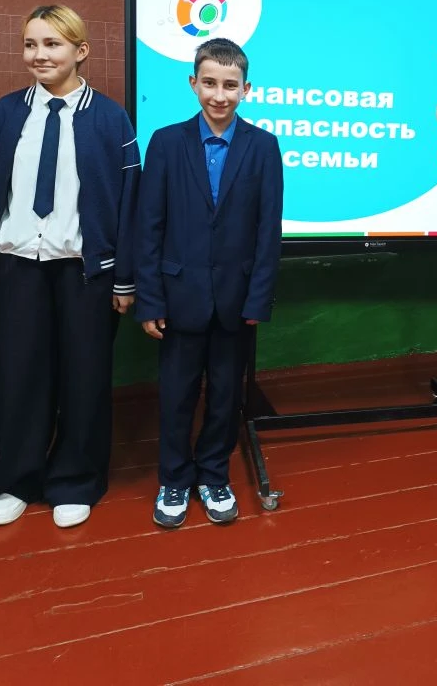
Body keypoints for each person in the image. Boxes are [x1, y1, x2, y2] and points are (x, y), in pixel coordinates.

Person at [0, 5, 140, 527]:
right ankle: (17, 478)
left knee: (83, 376)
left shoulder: (111, 119)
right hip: (17, 265)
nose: (39, 55)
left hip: (84, 271)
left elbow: (128, 202)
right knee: (16, 376)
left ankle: (75, 478)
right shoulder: (7, 113)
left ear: (80, 51)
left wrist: (123, 278)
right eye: (31, 44)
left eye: (52, 44)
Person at [135, 38, 283, 529]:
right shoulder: (166, 142)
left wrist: (258, 299)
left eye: (230, 85)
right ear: (193, 83)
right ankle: (174, 479)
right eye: (210, 83)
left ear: (246, 89)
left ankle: (214, 475)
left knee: (225, 396)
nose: (220, 95)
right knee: (176, 395)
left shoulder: (263, 147)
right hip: (179, 299)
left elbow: (268, 230)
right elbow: (149, 226)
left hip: (236, 302)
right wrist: (150, 299)